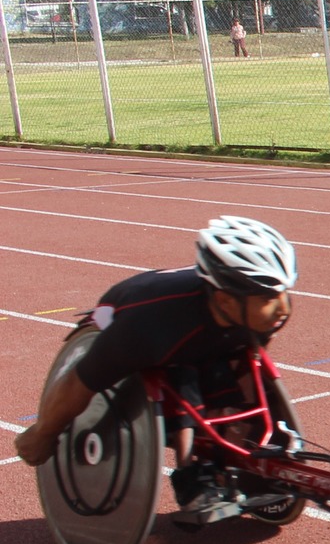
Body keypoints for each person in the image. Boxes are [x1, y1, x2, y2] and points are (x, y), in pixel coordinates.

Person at [14, 216, 298, 522]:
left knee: (223, 374)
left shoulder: (266, 309)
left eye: (285, 292)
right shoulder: (146, 329)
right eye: (269, 298)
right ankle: (190, 476)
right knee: (180, 372)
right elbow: (80, 382)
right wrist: (44, 432)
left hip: (201, 328)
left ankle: (217, 452)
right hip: (137, 318)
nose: (283, 307)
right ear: (226, 301)